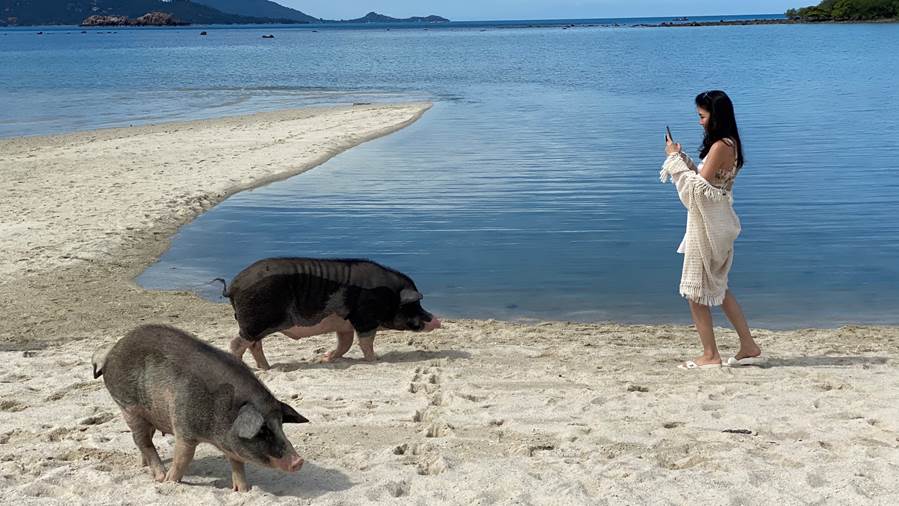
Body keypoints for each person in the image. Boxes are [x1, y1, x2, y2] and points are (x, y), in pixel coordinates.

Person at [660, 90, 763, 369]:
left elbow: (696, 191)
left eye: (702, 117)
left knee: (696, 292)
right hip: (719, 221)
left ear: (716, 116)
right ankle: (749, 346)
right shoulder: (731, 144)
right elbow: (710, 182)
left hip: (708, 225)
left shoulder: (721, 146)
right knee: (719, 287)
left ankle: (710, 355)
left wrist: (672, 160)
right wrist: (683, 159)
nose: (700, 122)